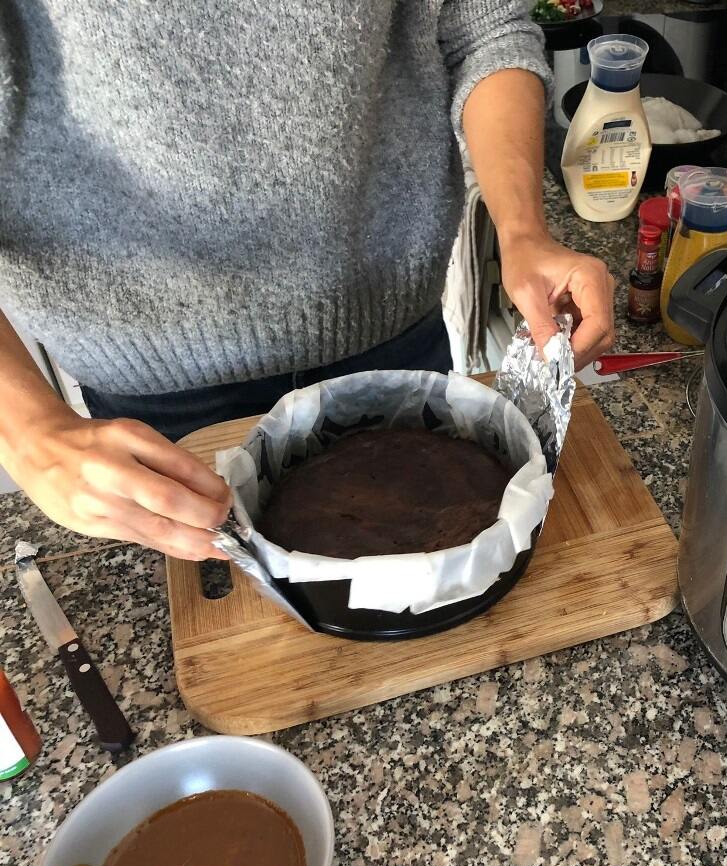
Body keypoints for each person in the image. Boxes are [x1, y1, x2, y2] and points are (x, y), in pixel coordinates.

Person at [0, 1, 614, 562]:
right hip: (154, 396)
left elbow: (482, 28)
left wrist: (524, 229)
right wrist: (28, 430)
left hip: (394, 331)